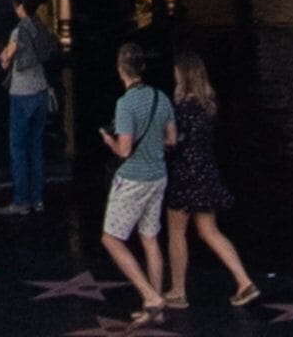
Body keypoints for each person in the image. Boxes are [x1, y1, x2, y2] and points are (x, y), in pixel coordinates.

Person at [162, 52, 256, 307]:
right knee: (209, 231)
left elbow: (175, 143)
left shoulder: (182, 109)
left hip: (185, 176)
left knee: (176, 233)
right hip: (206, 173)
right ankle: (244, 281)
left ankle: (178, 290)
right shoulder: (208, 106)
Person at [100, 42, 177, 312]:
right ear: (142, 67)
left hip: (133, 178)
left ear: (121, 70)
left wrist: (109, 141)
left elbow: (124, 149)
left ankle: (150, 296)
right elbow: (172, 139)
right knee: (150, 238)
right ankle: (154, 308)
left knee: (111, 239)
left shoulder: (125, 104)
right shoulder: (161, 97)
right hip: (158, 176)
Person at [0, 0, 57, 218]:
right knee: (36, 146)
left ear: (20, 7)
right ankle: (38, 198)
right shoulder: (41, 27)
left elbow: (7, 58)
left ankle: (22, 200)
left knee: (18, 148)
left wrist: (3, 56)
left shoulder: (19, 30)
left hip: (22, 92)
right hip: (41, 89)